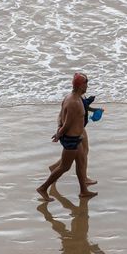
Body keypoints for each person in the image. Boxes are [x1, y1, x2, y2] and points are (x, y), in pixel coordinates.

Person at [38, 73, 98, 201]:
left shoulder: (73, 97)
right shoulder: (74, 102)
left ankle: (84, 190)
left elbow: (61, 115)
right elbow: (67, 123)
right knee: (64, 167)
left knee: (81, 163)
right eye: (86, 83)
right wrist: (59, 134)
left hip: (77, 138)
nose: (87, 85)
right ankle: (43, 188)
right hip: (71, 140)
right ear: (81, 85)